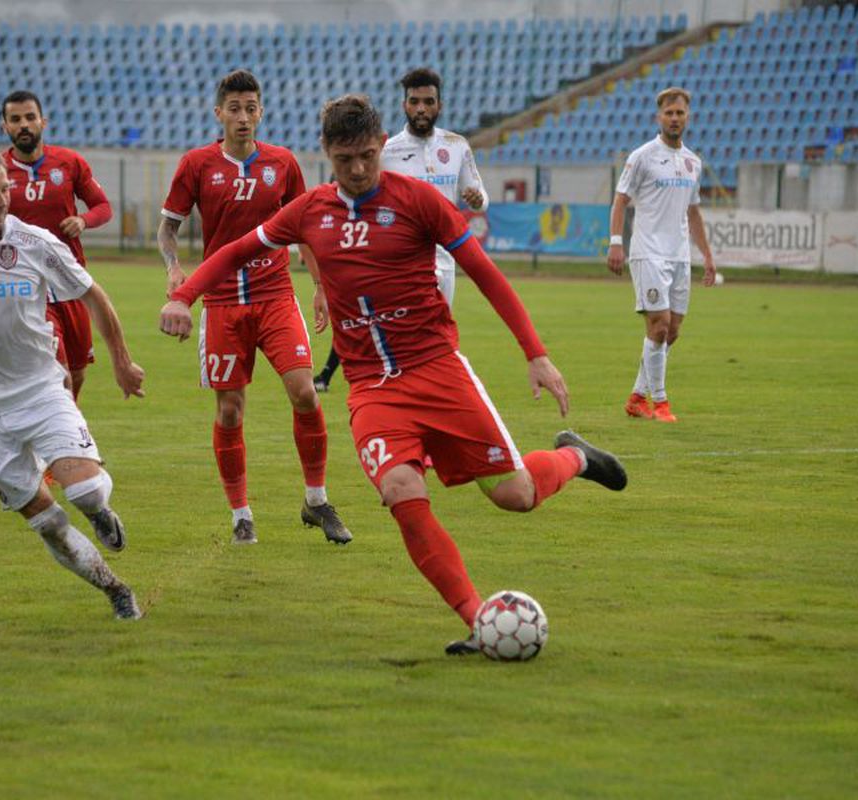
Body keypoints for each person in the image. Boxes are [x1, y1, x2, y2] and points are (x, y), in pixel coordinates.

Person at [159, 95, 627, 654]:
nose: (357, 170)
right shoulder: (309, 210)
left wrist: (536, 352)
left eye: (365, 156)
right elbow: (236, 249)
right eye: (343, 159)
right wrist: (185, 296)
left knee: (514, 495)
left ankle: (574, 456)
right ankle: (479, 620)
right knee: (401, 488)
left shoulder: (419, 202)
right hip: (373, 389)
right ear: (327, 155)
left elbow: (484, 273)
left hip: (438, 370)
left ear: (382, 146)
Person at [0, 147, 146, 619]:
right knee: (48, 522)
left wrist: (122, 361)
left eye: (6, 189)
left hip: (38, 388)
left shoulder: (34, 242)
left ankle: (100, 513)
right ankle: (115, 589)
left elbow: (92, 294)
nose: (4, 201)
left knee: (86, 494)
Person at [158, 69, 351, 547]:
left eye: (251, 109)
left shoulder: (282, 164)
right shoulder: (196, 164)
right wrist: (173, 267)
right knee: (230, 410)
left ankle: (316, 499)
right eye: (235, 109)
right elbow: (168, 230)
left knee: (305, 391)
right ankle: (241, 514)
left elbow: (306, 230)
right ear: (218, 113)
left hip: (274, 295)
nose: (243, 118)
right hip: (222, 303)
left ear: (261, 112)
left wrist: (321, 288)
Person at [313, 68, 488, 393]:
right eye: (414, 101)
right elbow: (351, 189)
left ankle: (421, 395)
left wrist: (478, 198)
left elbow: (478, 199)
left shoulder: (457, 146)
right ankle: (376, 387)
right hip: (391, 254)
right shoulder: (386, 150)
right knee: (377, 323)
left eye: (428, 101)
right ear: (404, 104)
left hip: (443, 258)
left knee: (432, 339)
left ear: (440, 105)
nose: (421, 108)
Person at [607, 86, 717, 423]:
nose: (674, 118)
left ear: (688, 117)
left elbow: (693, 212)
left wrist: (708, 257)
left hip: (679, 256)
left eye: (679, 113)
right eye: (668, 113)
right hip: (648, 252)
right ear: (659, 117)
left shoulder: (693, 162)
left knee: (672, 333)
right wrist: (615, 241)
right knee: (659, 325)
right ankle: (661, 403)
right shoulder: (641, 156)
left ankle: (637, 397)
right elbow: (621, 199)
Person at [1, 90, 112, 401]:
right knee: (56, 372)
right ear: (5, 127)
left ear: (43, 122)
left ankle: (64, 431)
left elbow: (103, 206)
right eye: (15, 119)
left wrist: (83, 221)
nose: (24, 125)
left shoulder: (69, 162)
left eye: (29, 117)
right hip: (27, 285)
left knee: (77, 372)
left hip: (70, 280)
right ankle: (58, 436)